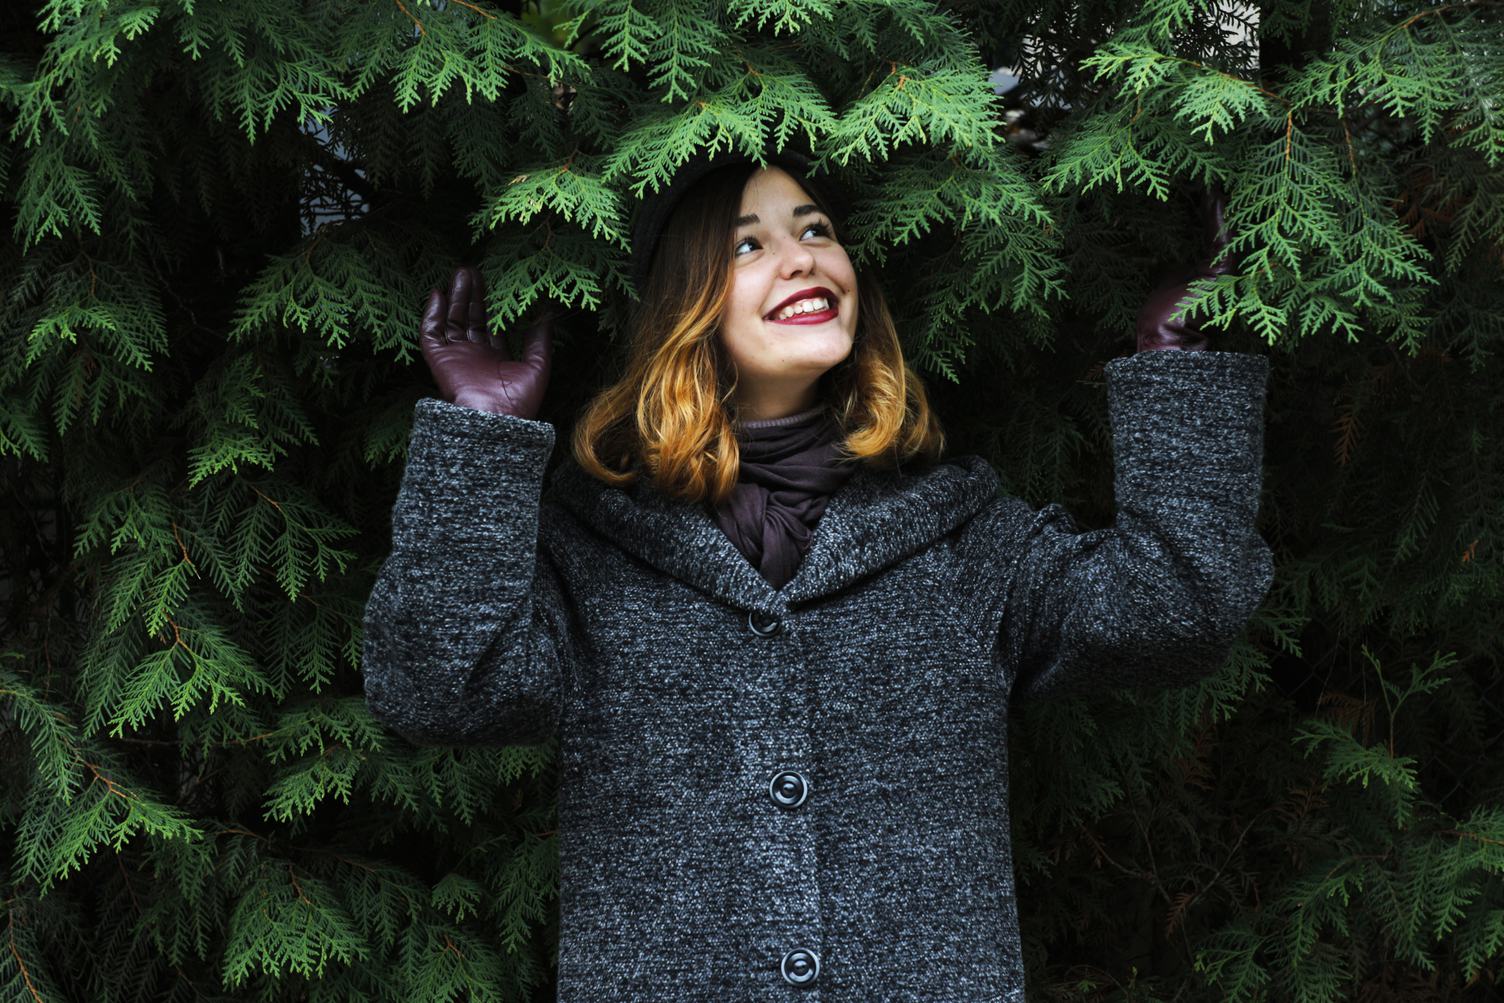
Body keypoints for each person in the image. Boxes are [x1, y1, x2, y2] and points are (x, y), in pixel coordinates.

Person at [361, 146, 1274, 1001]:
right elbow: (439, 689)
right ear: (685, 305)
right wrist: (480, 442)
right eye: (748, 245)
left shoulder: (961, 537)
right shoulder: (595, 547)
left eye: (816, 230)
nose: (801, 258)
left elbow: (1176, 606)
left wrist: (1177, 373)